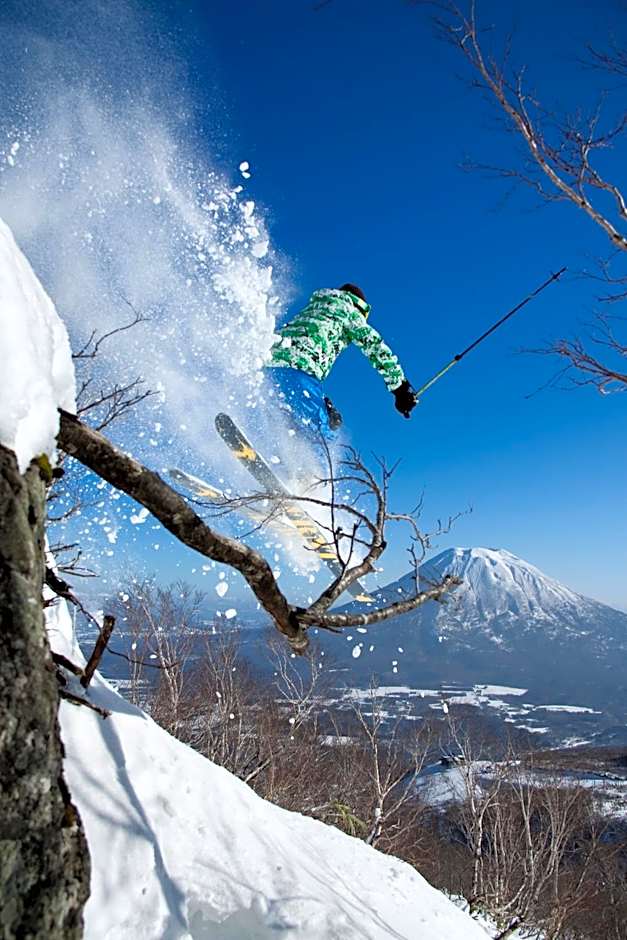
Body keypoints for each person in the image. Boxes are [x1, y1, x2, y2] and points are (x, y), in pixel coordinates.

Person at [267, 284, 417, 444]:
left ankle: (273, 451)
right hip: (300, 370)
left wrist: (324, 402)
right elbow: (374, 346)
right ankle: (310, 469)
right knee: (321, 435)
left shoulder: (315, 307)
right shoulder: (349, 311)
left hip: (268, 367)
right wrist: (400, 388)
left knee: (281, 420)